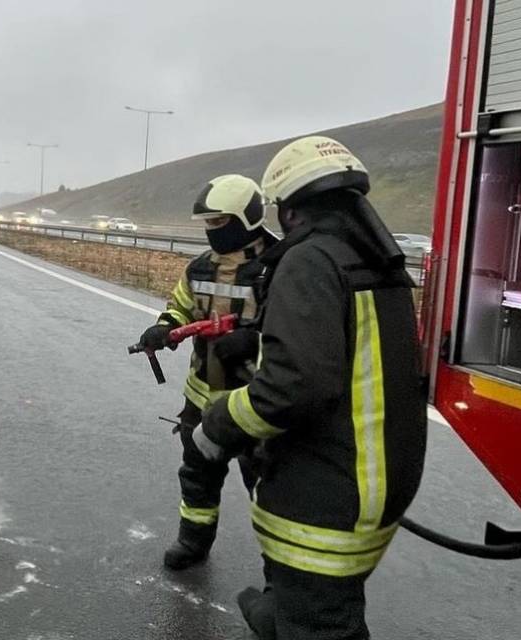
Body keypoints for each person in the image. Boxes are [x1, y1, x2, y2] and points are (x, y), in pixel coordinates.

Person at [194, 136, 427, 640]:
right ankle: (281, 613)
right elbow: (340, 358)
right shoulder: (375, 263)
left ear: (291, 209)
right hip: (381, 474)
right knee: (322, 605)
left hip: (330, 487)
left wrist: (220, 421)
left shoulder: (311, 261)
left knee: (321, 624)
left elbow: (294, 386)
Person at [137, 174, 278, 570]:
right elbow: (181, 306)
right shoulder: (198, 268)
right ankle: (193, 541)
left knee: (269, 488)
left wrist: (256, 342)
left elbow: (300, 332)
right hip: (202, 400)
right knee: (197, 475)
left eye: (220, 223)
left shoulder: (279, 266)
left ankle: (281, 572)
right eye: (208, 224)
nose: (212, 232)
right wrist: (166, 325)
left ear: (246, 218)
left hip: (259, 403)